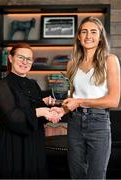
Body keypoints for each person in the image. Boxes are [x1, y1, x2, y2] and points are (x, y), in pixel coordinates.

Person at [53, 16, 120, 179]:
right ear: (78, 36)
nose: (88, 36)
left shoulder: (110, 60)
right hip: (74, 123)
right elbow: (71, 98)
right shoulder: (72, 64)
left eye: (93, 32)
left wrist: (80, 102)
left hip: (99, 122)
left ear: (100, 36)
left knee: (96, 176)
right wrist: (61, 110)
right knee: (76, 175)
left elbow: (113, 100)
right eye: (84, 31)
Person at [0, 42, 61, 179]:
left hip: (34, 142)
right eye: (20, 57)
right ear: (11, 58)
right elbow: (12, 117)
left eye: (28, 59)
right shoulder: (3, 85)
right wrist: (40, 111)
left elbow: (36, 110)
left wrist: (51, 110)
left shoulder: (33, 84)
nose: (25, 62)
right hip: (12, 144)